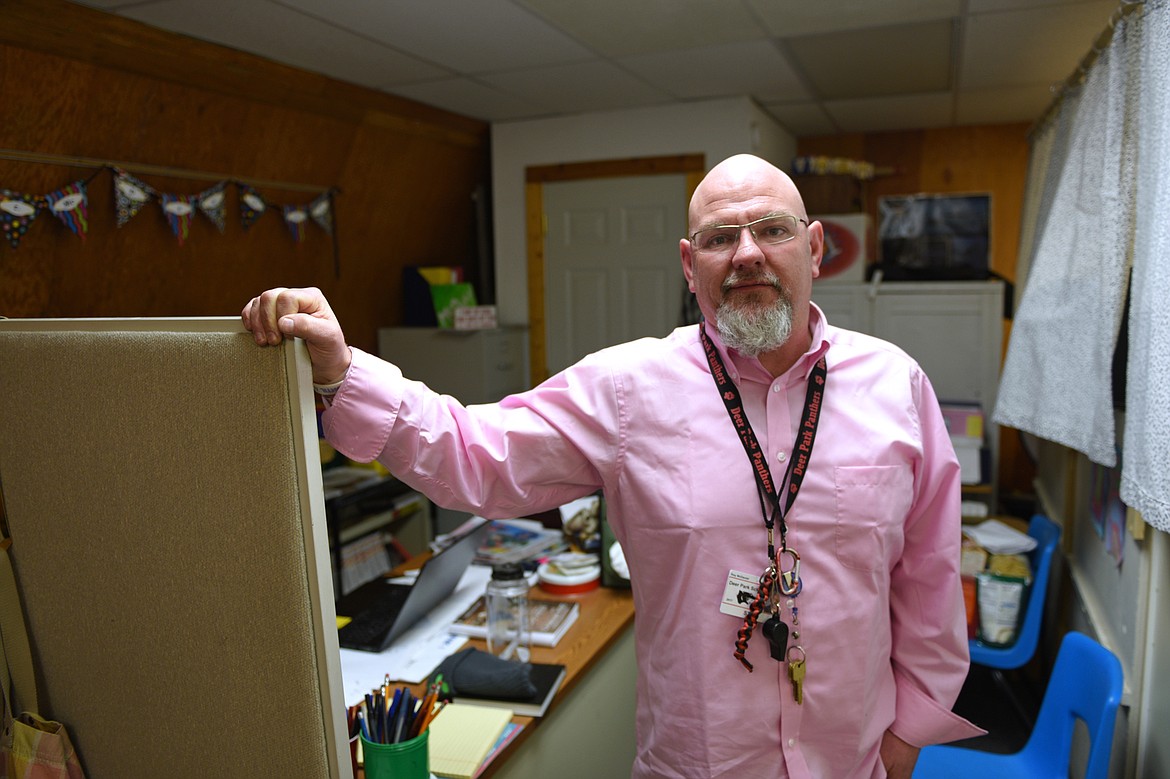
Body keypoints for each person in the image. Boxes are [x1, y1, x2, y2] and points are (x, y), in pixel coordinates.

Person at [243, 154, 982, 778]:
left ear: (814, 249)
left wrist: (908, 731)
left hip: (853, 762)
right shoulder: (629, 390)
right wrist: (342, 374)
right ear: (691, 266)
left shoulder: (895, 386)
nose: (748, 251)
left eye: (773, 230)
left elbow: (928, 579)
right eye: (721, 236)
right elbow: (477, 453)